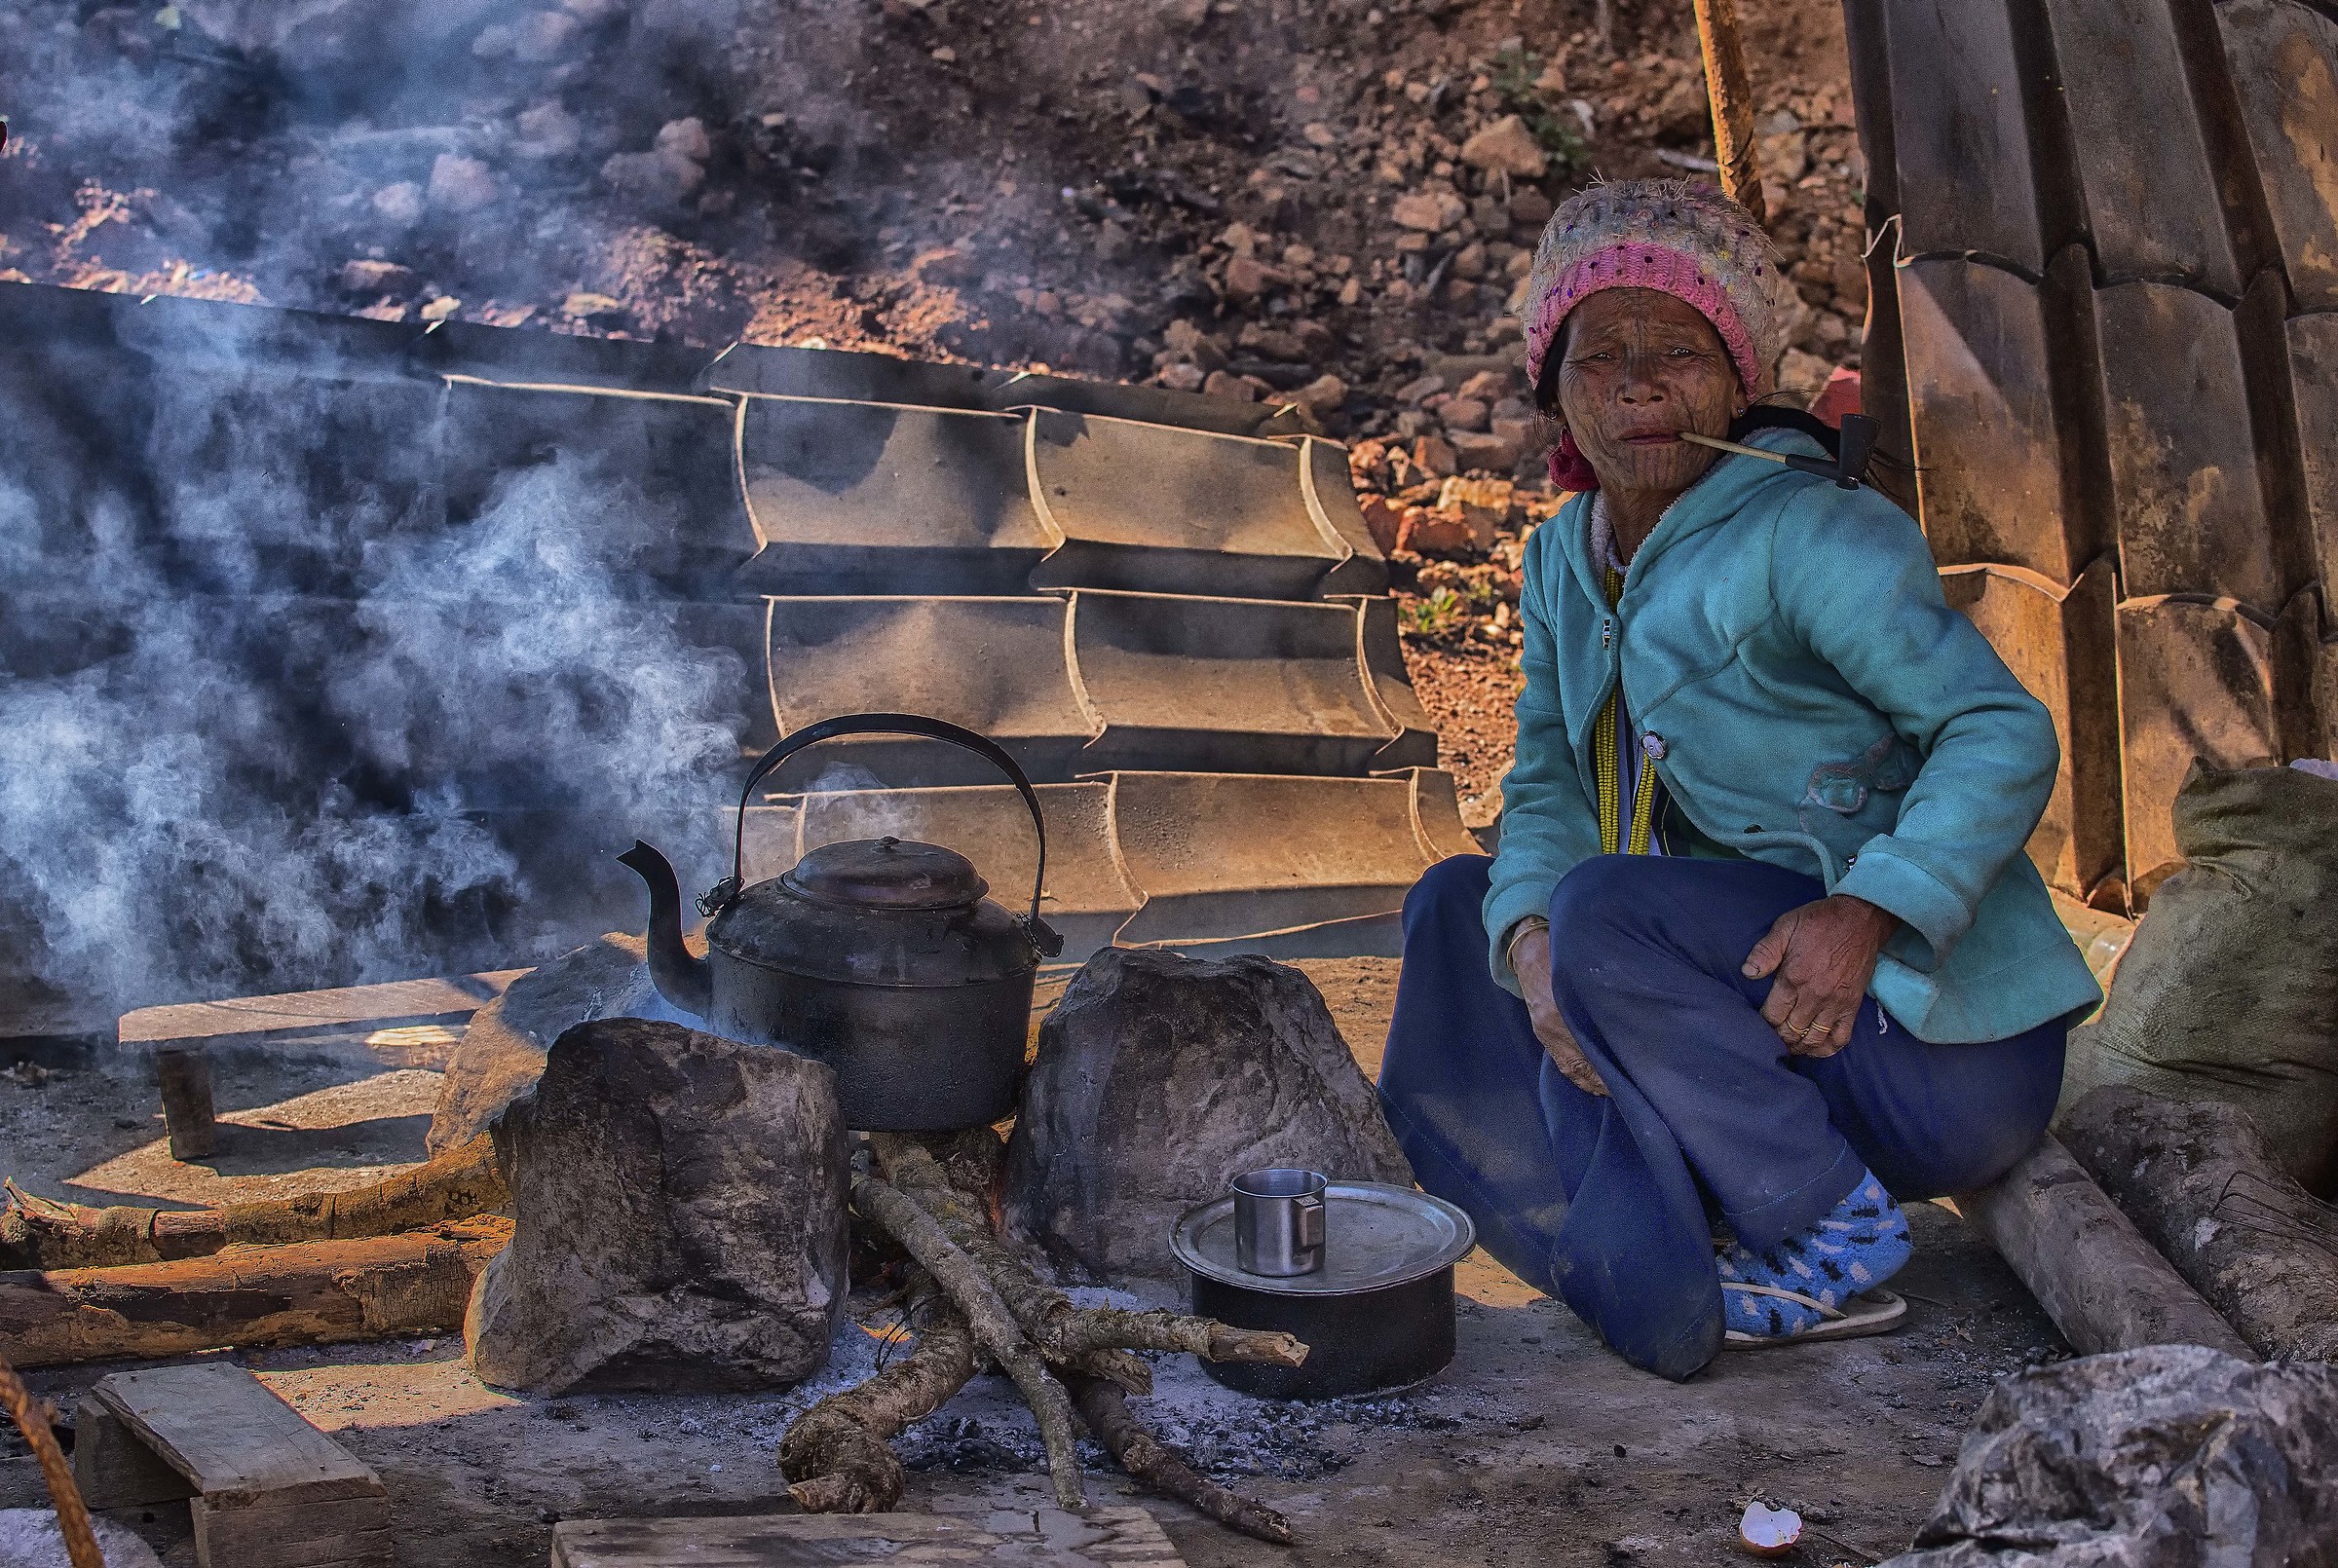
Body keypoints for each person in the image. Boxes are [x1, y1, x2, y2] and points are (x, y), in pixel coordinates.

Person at [1375, 180, 2101, 1380]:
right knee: (1466, 906)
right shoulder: (1563, 554)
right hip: (1767, 1032)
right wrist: (1533, 953)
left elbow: (2000, 730)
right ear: (1554, 386)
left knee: (1607, 909)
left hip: (1928, 1055)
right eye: (1598, 355)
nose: (1638, 382)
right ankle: (1653, 1220)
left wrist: (1872, 908)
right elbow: (1548, 776)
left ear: (1738, 377)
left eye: (1678, 351)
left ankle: (1831, 1227)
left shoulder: (1811, 531)